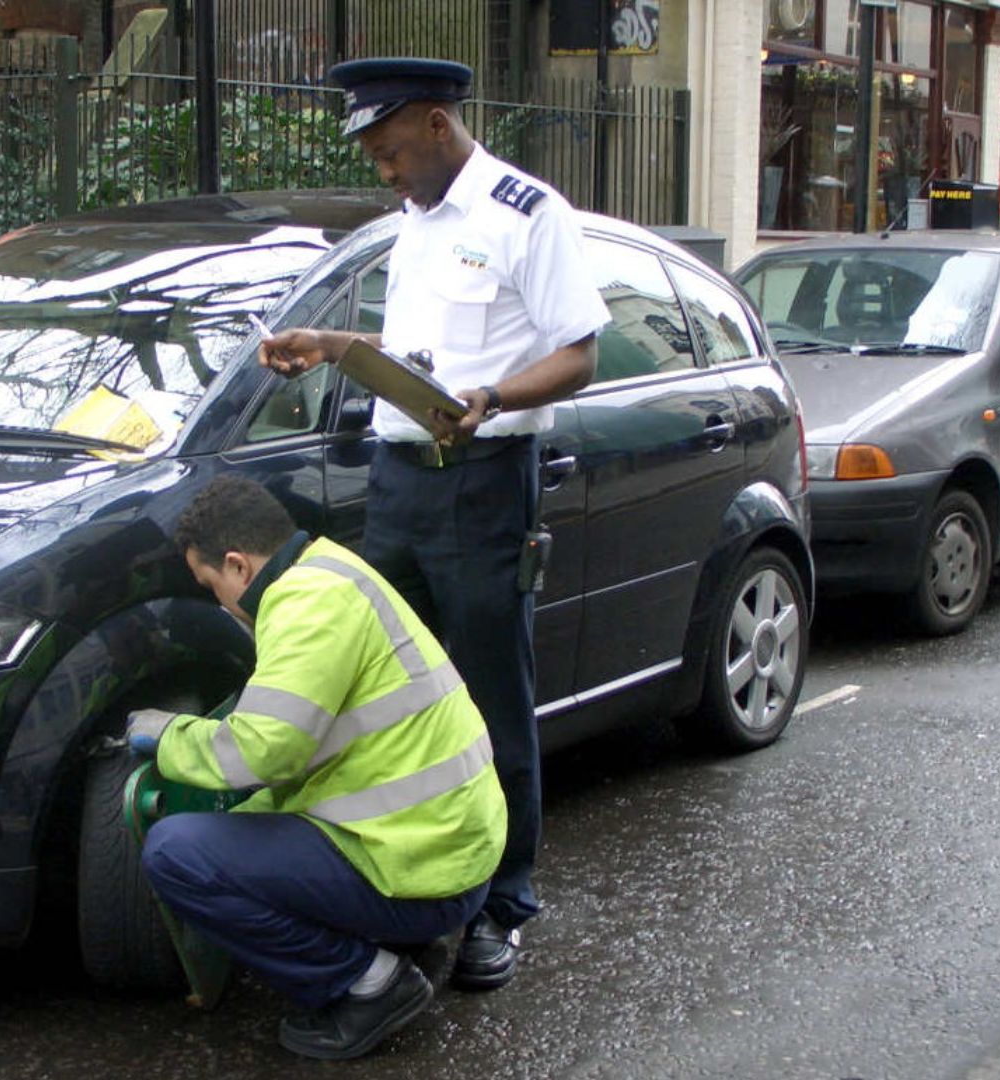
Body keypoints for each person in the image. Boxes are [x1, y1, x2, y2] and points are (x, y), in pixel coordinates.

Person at [257, 56, 611, 991]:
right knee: (387, 692)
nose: (383, 170)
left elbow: (579, 354)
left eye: (387, 149)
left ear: (437, 124)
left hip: (483, 478)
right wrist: (332, 347)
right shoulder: (412, 226)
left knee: (492, 699)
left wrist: (491, 397)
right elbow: (414, 356)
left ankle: (501, 906)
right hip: (399, 479)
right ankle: (403, 886)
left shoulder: (527, 214)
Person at [128, 474, 506, 1060]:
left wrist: (168, 735)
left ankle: (370, 982)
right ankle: (395, 939)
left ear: (238, 565)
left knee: (176, 852)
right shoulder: (330, 567)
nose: (217, 602)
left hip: (424, 871)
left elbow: (261, 751)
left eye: (211, 585)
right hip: (447, 849)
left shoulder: (306, 606)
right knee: (244, 829)